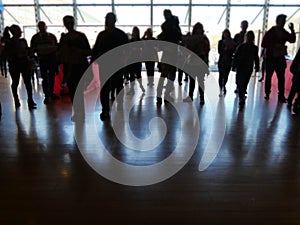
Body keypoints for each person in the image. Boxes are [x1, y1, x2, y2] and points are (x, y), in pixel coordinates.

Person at [92, 12, 128, 121]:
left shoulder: (102, 35)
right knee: (117, 85)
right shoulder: (120, 34)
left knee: (106, 88)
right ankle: (117, 106)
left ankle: (106, 110)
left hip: (106, 64)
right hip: (116, 64)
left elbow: (96, 50)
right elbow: (127, 49)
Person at [58, 15, 91, 121]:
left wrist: (77, 51)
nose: (69, 25)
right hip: (71, 67)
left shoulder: (77, 37)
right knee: (73, 90)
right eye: (67, 23)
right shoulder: (67, 38)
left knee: (77, 90)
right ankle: (79, 112)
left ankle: (79, 112)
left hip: (78, 66)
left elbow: (88, 51)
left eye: (70, 23)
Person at [261, 14, 296, 102]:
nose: (283, 23)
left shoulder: (279, 32)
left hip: (277, 57)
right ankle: (269, 93)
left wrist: (292, 30)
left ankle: (278, 95)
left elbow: (292, 40)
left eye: (284, 21)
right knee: (272, 76)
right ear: (278, 21)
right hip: (273, 57)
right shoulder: (273, 32)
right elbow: (263, 44)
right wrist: (274, 46)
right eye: (282, 21)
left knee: (280, 77)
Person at [5, 25, 37, 109]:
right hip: (20, 63)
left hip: (18, 64)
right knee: (24, 82)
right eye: (19, 30)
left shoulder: (11, 42)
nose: (20, 32)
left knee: (19, 82)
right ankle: (28, 100)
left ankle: (19, 100)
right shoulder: (19, 41)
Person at [156, 9, 182, 104]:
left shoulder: (164, 26)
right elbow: (179, 37)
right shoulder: (175, 27)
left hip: (167, 53)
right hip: (173, 53)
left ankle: (159, 95)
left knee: (164, 74)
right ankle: (166, 95)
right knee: (171, 75)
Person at [30, 21, 59, 105]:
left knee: (50, 77)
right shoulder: (51, 37)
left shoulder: (36, 38)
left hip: (47, 59)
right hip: (45, 60)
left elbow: (33, 49)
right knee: (46, 77)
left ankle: (49, 94)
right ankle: (48, 94)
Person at [182, 22, 210, 105]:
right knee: (199, 81)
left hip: (193, 61)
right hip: (200, 61)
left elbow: (187, 50)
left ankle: (192, 97)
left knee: (193, 80)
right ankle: (201, 98)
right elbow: (207, 50)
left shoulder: (192, 38)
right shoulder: (204, 38)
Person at [232, 31, 259, 107]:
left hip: (242, 67)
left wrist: (234, 66)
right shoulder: (254, 48)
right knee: (243, 82)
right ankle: (241, 96)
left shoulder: (241, 47)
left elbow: (236, 56)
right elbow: (256, 58)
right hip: (246, 67)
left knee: (242, 82)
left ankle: (241, 96)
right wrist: (257, 67)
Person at [127, 26, 145, 94]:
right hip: (134, 59)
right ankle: (134, 88)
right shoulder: (139, 41)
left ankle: (139, 86)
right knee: (132, 75)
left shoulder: (133, 41)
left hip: (135, 59)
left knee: (138, 74)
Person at [218, 29, 235, 96]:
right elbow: (219, 51)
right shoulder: (221, 42)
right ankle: (221, 87)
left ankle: (223, 85)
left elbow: (233, 51)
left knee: (225, 75)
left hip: (227, 60)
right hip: (223, 60)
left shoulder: (230, 42)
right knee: (221, 75)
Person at [233, 20, 249, 93]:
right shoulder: (248, 36)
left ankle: (240, 87)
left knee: (241, 74)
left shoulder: (238, 36)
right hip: (242, 58)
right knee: (241, 74)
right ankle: (240, 87)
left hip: (242, 58)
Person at [287, 47, 300, 113]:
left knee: (294, 87)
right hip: (298, 73)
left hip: (298, 73)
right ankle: (296, 103)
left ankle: (290, 101)